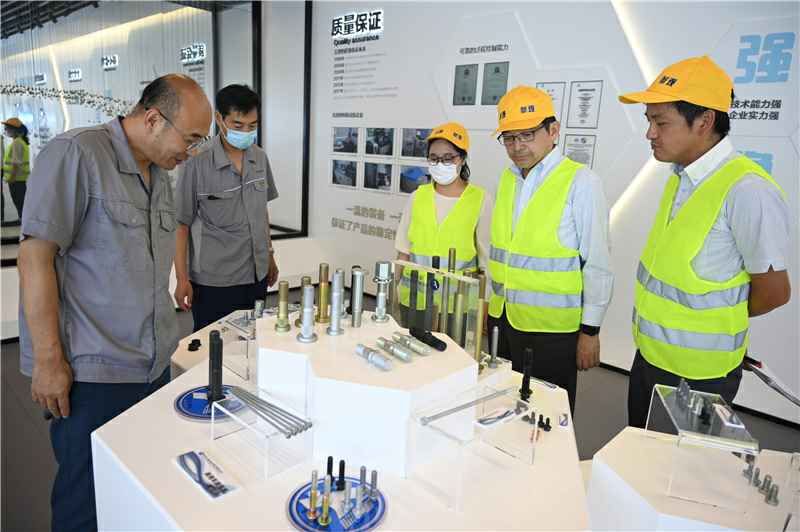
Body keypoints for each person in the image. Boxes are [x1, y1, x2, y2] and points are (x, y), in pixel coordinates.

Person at [17, 74, 212, 532]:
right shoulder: (77, 154)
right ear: (153, 119)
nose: (191, 152)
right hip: (94, 375)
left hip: (151, 365)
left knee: (139, 488)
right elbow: (35, 258)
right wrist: (48, 362)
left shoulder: (160, 174)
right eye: (191, 139)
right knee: (85, 501)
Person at [618, 56, 791, 427]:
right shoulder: (681, 177)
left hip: (699, 376)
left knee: (677, 462)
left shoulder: (748, 191)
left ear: (705, 121)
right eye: (649, 121)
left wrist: (714, 323)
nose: (650, 133)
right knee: (639, 451)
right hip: (650, 357)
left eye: (661, 122)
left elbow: (775, 292)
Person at [487, 86, 614, 415]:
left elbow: (597, 262)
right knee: (503, 404)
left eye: (527, 135)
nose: (517, 146)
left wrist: (590, 331)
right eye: (509, 138)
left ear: (553, 131)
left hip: (552, 331)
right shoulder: (508, 179)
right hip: (505, 318)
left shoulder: (581, 182)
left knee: (548, 415)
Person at [174, 84, 279, 331]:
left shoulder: (259, 158)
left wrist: (270, 256)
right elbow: (180, 224)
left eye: (252, 126)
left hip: (256, 274)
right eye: (238, 125)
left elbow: (261, 212)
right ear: (220, 119)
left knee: (252, 338)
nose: (246, 132)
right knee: (214, 343)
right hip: (215, 281)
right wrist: (181, 278)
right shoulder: (196, 162)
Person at [395, 122, 493, 326]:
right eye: (434, 158)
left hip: (458, 305)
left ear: (462, 158)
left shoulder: (481, 200)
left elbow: (487, 261)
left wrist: (485, 302)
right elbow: (403, 252)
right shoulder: (417, 197)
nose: (440, 164)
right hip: (414, 300)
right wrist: (391, 291)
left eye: (448, 158)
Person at [2, 117, 30, 221]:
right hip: (19, 179)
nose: (6, 131)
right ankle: (22, 219)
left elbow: (15, 163)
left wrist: (11, 178)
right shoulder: (20, 141)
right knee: (21, 201)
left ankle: (23, 220)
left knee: (19, 202)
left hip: (16, 179)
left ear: (14, 130)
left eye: (7, 128)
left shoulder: (17, 143)